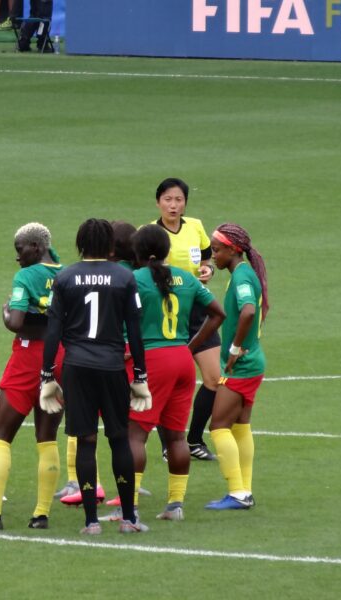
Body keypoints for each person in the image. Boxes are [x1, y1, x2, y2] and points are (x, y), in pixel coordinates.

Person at [39, 218, 151, 535]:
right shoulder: (124, 277)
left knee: (85, 442)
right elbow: (136, 331)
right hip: (113, 367)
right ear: (110, 246)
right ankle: (129, 518)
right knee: (118, 440)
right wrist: (140, 374)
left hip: (77, 368)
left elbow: (53, 332)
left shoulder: (64, 277)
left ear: (80, 243)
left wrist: (46, 374)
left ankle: (91, 522)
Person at [120, 224, 224, 522]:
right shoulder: (187, 279)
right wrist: (190, 346)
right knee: (176, 436)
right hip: (181, 359)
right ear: (167, 251)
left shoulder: (134, 279)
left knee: (136, 435)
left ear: (137, 253)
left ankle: (132, 507)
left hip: (152, 360)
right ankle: (175, 505)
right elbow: (218, 314)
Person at [0, 223, 63, 531]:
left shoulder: (26, 276)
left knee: (0, 437)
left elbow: (17, 322)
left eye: (19, 250)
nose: (17, 258)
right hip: (62, 357)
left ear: (35, 247)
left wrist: (5, 313)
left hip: (28, 356)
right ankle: (41, 514)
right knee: (47, 438)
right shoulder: (66, 274)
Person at [153, 177, 220, 461]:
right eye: (168, 199)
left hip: (197, 310)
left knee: (214, 379)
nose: (173, 205)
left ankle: (193, 439)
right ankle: (169, 443)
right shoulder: (150, 233)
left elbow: (207, 258)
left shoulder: (195, 226)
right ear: (158, 202)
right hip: (167, 312)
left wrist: (207, 271)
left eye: (178, 199)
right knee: (164, 382)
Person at [205, 223, 269, 510]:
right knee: (241, 425)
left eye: (216, 250)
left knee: (218, 426)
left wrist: (233, 348)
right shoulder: (243, 273)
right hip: (252, 362)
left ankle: (238, 493)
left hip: (241, 366)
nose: (213, 255)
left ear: (233, 250)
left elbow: (249, 310)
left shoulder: (242, 276)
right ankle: (245, 490)